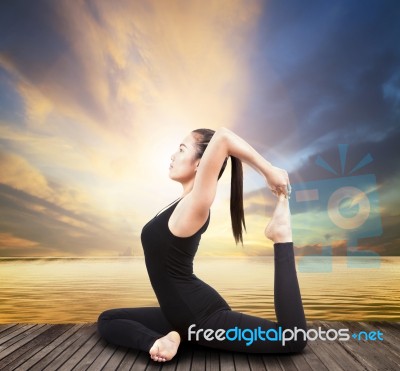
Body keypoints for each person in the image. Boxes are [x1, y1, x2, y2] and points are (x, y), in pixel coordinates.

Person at [97, 127, 307, 362]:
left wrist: (268, 171)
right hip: (178, 315)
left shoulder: (195, 204)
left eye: (181, 149)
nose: (173, 155)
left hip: (204, 318)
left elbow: (224, 137)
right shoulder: (179, 204)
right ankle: (166, 339)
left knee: (293, 337)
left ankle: (282, 235)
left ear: (200, 163)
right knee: (109, 319)